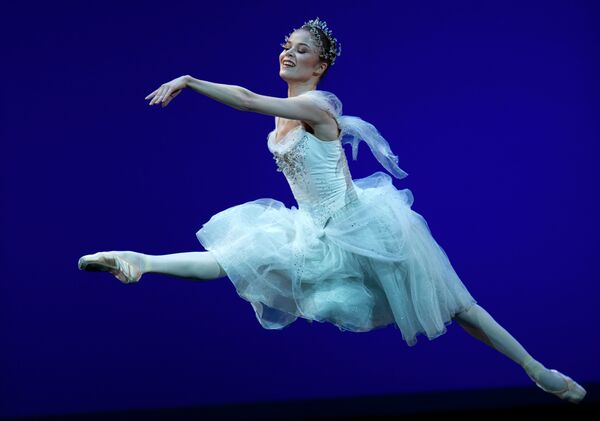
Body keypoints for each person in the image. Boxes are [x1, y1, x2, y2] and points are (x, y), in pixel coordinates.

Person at [78, 17, 586, 404]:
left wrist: (189, 80)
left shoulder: (319, 108)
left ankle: (535, 368)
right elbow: (263, 110)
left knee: (458, 308)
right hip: (314, 230)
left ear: (319, 66)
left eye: (301, 51)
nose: (288, 54)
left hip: (365, 227)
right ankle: (139, 260)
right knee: (236, 256)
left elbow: (249, 100)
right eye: (286, 46)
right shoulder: (286, 117)